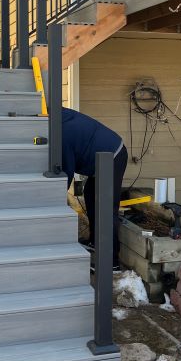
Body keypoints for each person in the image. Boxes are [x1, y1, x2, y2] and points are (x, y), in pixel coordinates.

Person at [62, 108, 128, 270]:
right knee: (91, 197)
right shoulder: (59, 118)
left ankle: (111, 263)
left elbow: (66, 169)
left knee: (106, 209)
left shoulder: (62, 133)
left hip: (112, 155)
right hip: (99, 158)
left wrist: (57, 197)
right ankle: (95, 242)